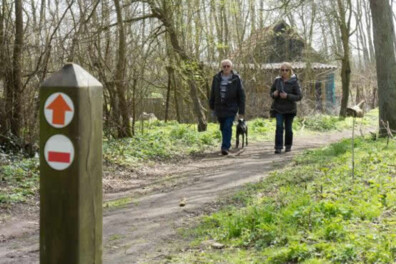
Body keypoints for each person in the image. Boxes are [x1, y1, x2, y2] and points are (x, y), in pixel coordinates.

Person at [209, 59, 245, 155]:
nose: (226, 68)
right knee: (222, 127)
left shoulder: (236, 79)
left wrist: (241, 111)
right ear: (221, 67)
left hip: (231, 107)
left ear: (231, 67)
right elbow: (212, 93)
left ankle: (225, 147)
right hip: (219, 107)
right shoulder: (216, 78)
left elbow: (241, 95)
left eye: (228, 66)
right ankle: (226, 143)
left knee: (228, 125)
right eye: (224, 66)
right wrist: (211, 106)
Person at [270, 62, 302, 154]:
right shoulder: (277, 80)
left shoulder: (294, 81)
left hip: (290, 109)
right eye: (282, 70)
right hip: (278, 108)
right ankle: (278, 147)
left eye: (286, 70)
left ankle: (288, 145)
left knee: (288, 128)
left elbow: (299, 96)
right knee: (279, 127)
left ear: (290, 70)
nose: (284, 72)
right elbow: (271, 92)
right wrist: (274, 94)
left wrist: (287, 96)